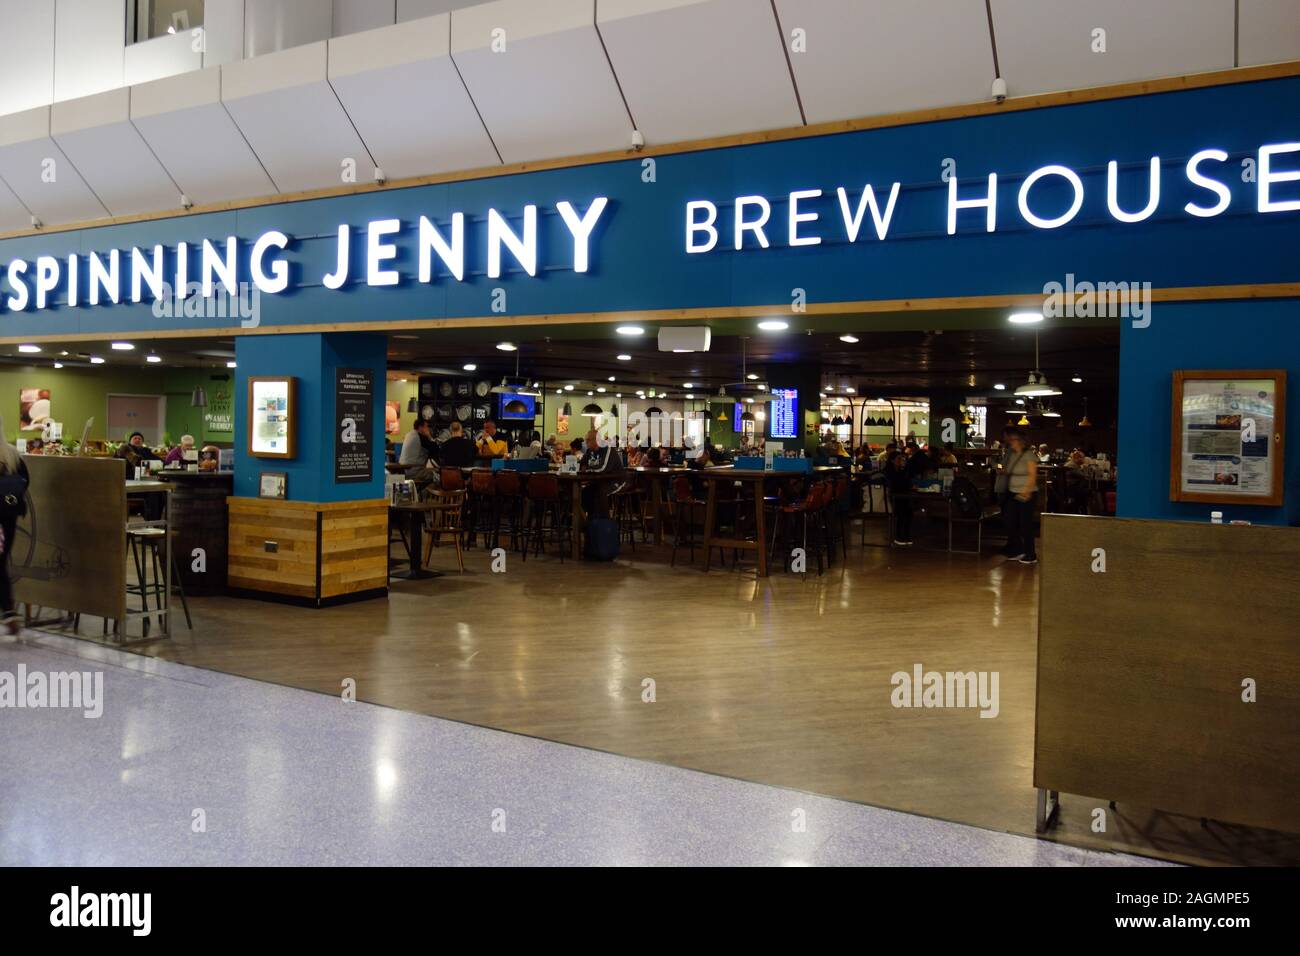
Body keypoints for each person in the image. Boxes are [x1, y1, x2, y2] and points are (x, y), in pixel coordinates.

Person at [0, 421, 29, 634]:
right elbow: (24, 481)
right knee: (0, 563)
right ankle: (8, 610)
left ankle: (8, 610)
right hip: (7, 517)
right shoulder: (11, 454)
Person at [1003, 428, 1039, 564]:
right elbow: (1009, 470)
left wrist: (1027, 491)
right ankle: (1018, 550)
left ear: (1021, 441)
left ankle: (1031, 554)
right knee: (1010, 521)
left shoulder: (1029, 455)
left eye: (1013, 439)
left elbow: (1032, 475)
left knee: (1025, 524)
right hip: (1013, 492)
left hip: (1026, 493)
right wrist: (1000, 468)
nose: (1010, 442)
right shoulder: (1012, 455)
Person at [399, 419, 440, 491]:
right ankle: (425, 498)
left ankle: (418, 494)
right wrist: (429, 436)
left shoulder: (409, 434)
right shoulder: (421, 437)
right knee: (438, 477)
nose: (428, 429)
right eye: (426, 427)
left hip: (403, 470)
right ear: (421, 428)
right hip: (415, 471)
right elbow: (436, 449)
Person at [885, 448, 913, 546]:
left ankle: (906, 534)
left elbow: (905, 483)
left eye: (902, 459)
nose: (901, 461)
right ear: (892, 460)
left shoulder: (900, 470)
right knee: (902, 510)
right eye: (898, 459)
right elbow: (897, 484)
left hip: (900, 496)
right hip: (890, 498)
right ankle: (899, 535)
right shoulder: (889, 471)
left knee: (908, 510)